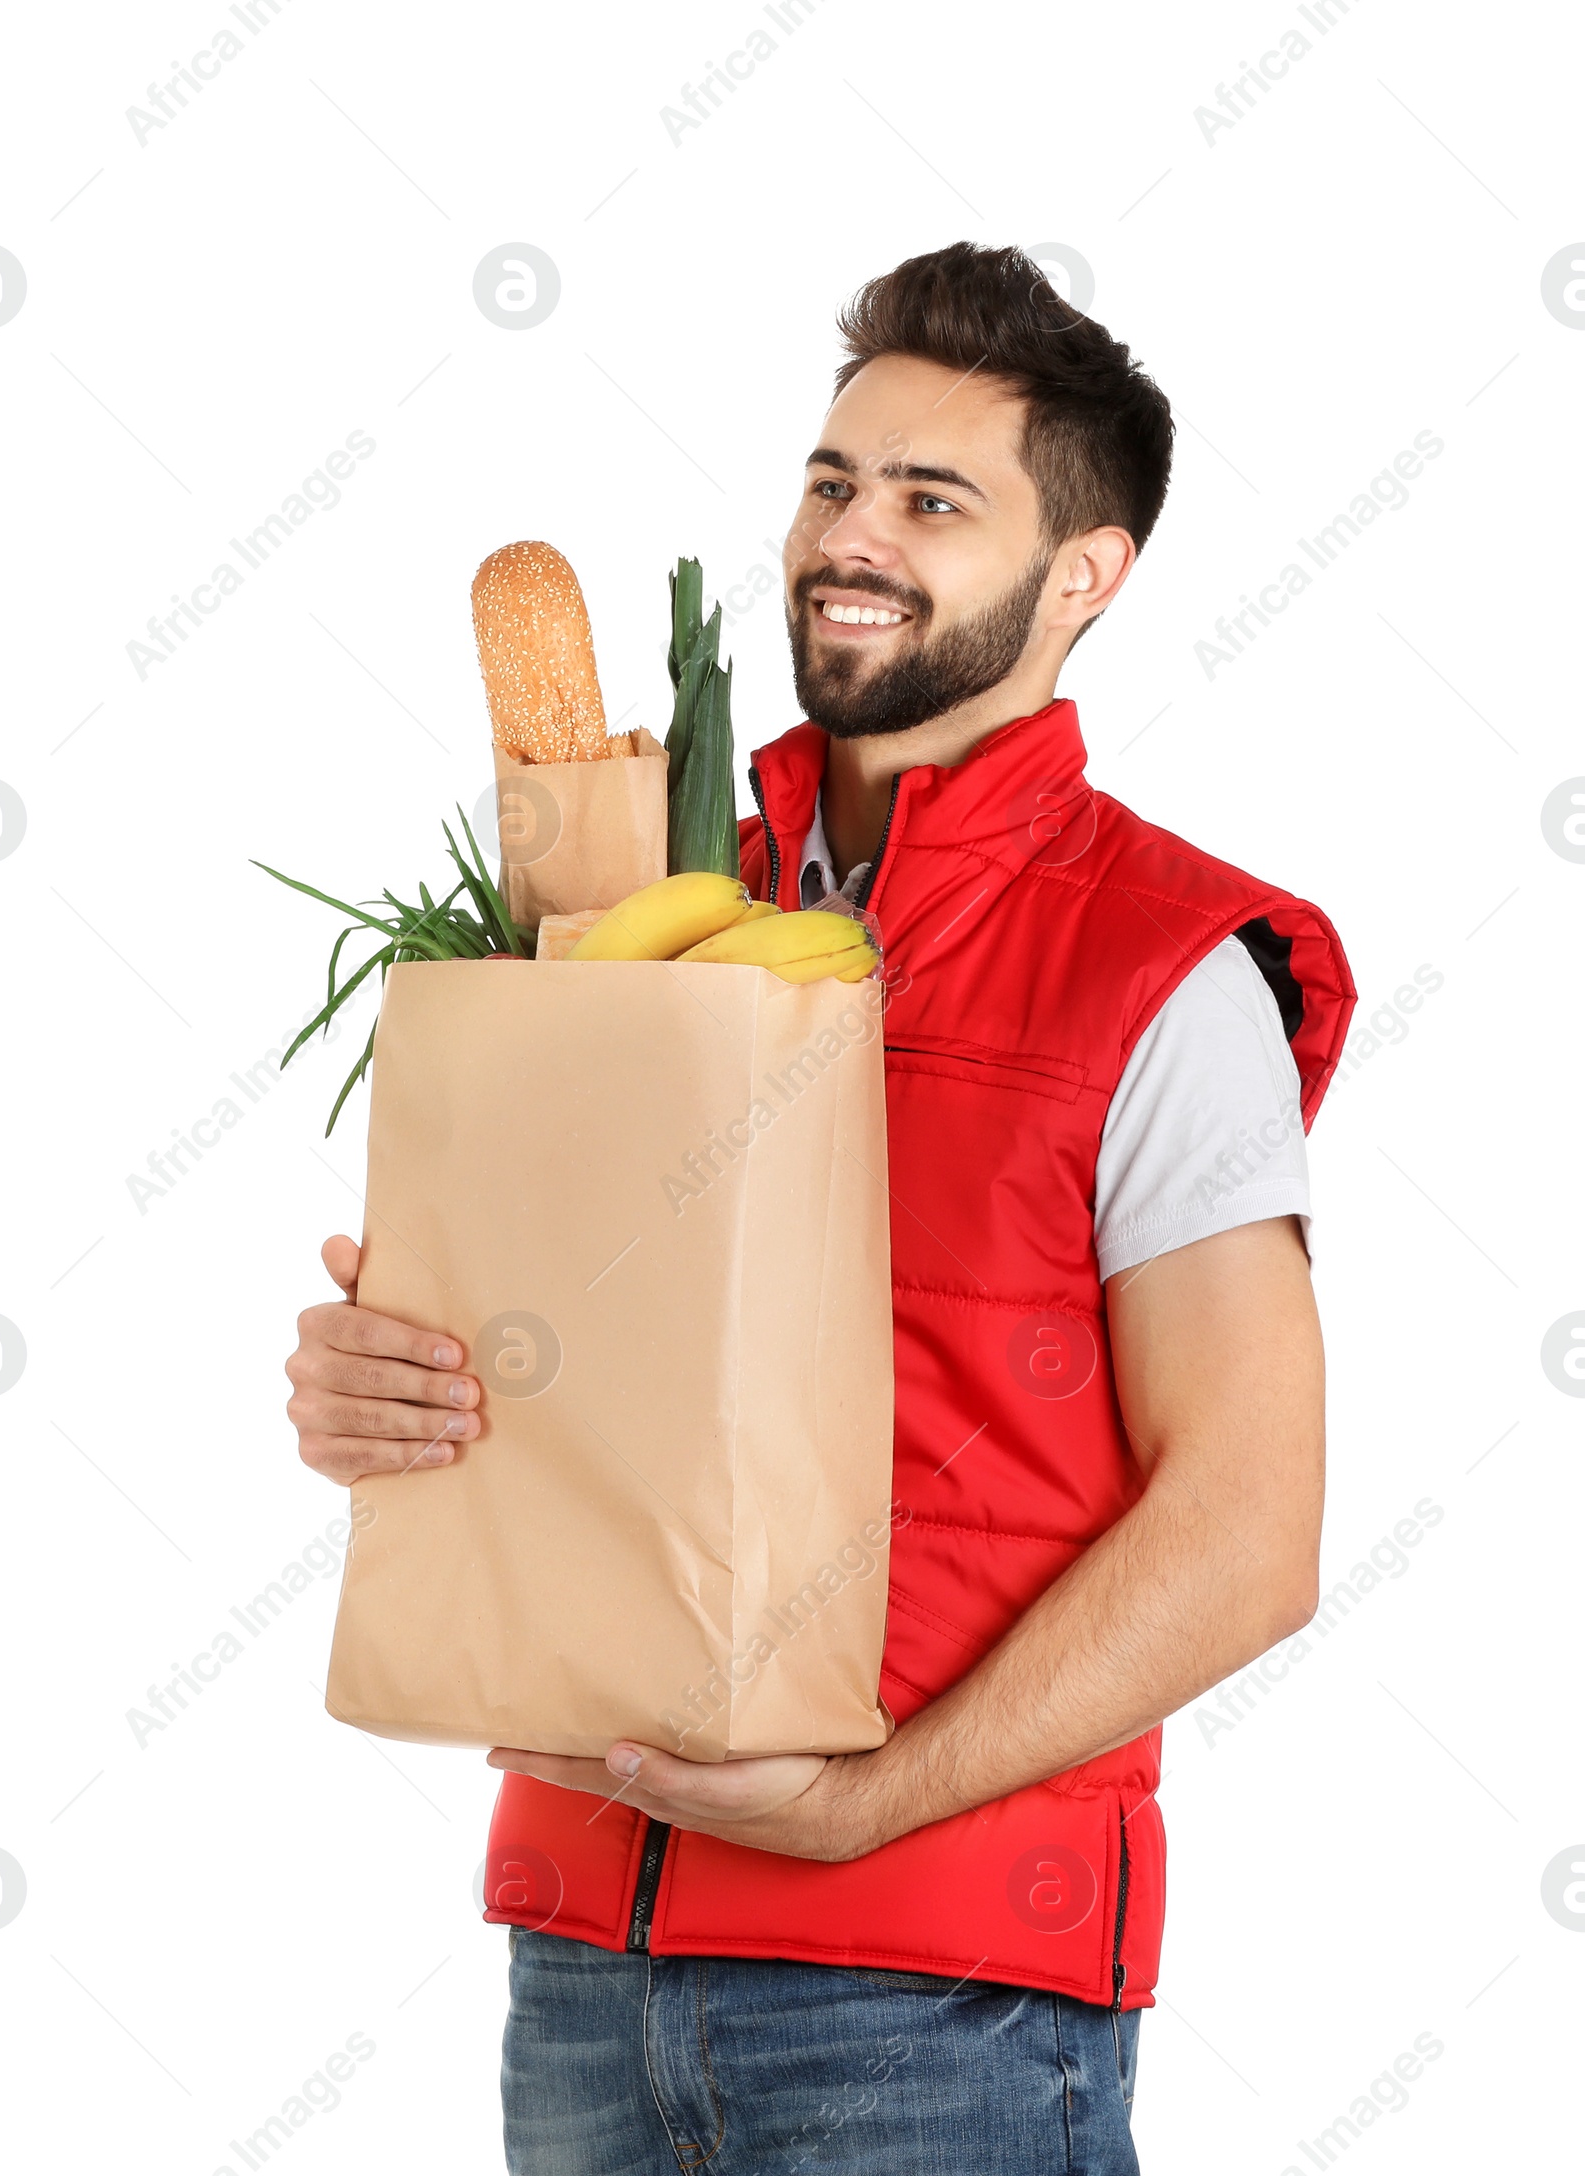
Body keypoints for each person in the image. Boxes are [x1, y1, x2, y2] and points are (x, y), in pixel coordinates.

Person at [286, 241, 1354, 2172]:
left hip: (938, 2005)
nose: (852, 536)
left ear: (1084, 576)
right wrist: (389, 1392)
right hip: (583, 1970)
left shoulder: (1160, 968)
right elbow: (569, 1389)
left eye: (935, 500)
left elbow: (1249, 1528)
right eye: (833, 480)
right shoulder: (612, 901)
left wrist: (869, 1808)